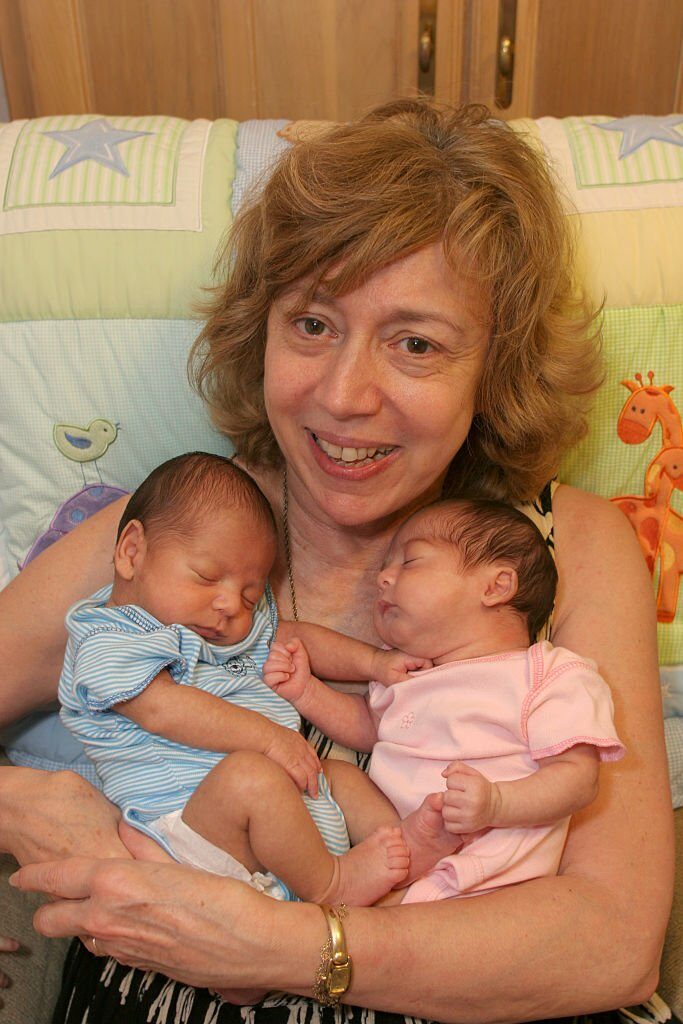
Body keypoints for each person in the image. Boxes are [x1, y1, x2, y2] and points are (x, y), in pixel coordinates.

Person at [0, 99, 674, 1024]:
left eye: (415, 344)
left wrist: (294, 948)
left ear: (496, 368)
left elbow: (613, 943)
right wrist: (21, 800)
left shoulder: (573, 547)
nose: (344, 395)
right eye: (312, 325)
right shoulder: (177, 532)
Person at [59, 450, 441, 907]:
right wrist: (271, 740)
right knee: (250, 778)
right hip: (190, 832)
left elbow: (295, 638)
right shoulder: (109, 637)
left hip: (285, 816)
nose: (229, 605)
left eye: (249, 594)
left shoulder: (225, 630)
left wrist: (374, 665)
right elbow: (162, 709)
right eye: (206, 576)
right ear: (132, 552)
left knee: (338, 775)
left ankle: (404, 850)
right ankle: (332, 886)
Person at [264, 497, 625, 904]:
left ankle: (408, 856)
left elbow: (578, 778)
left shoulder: (545, 674)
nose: (383, 577)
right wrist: (307, 691)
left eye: (411, 562)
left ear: (495, 586)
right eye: (387, 566)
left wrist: (497, 804)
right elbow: (370, 727)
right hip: (401, 843)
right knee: (334, 775)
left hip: (486, 855)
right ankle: (405, 850)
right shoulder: (408, 671)